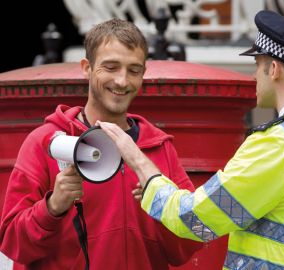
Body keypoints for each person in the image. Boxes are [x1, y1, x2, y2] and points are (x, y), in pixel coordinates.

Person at [96, 10, 284, 270]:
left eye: (258, 65)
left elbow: (195, 220)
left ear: (273, 69)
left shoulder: (282, 143)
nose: (254, 76)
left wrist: (141, 165)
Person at [0, 18, 202, 269]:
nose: (122, 81)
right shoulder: (44, 141)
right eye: (111, 67)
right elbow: (12, 243)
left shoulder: (159, 147)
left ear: (143, 74)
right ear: (86, 67)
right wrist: (52, 207)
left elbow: (193, 237)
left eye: (134, 70)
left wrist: (162, 206)